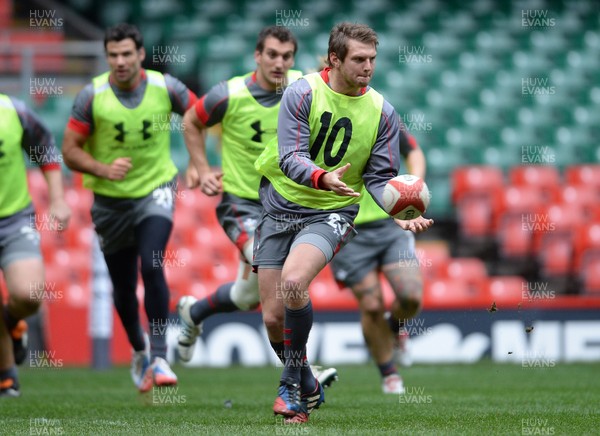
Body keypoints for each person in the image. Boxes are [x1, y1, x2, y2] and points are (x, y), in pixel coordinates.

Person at [253, 22, 433, 423]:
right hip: (280, 205)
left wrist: (398, 213)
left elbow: (379, 176)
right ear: (335, 59)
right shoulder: (302, 92)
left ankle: (290, 388)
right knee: (271, 317)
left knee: (295, 283)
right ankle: (306, 378)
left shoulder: (383, 111)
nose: (368, 67)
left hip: (332, 210)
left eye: (372, 59)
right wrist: (322, 176)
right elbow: (290, 155)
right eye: (359, 59)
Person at [176, 26, 338, 388]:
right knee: (278, 277)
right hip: (243, 204)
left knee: (248, 295)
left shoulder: (303, 86)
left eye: (286, 56)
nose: (279, 63)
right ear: (257, 56)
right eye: (272, 55)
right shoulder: (229, 94)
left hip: (286, 205)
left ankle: (194, 312)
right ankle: (305, 373)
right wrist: (200, 167)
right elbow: (191, 120)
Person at [62, 23, 198, 393]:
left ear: (140, 54)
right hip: (109, 202)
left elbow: (199, 115)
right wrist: (102, 169)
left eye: (126, 54)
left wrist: (199, 162)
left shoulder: (166, 87)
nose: (120, 62)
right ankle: (140, 352)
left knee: (152, 263)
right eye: (113, 55)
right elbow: (70, 150)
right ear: (107, 57)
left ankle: (159, 355)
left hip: (156, 188)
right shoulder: (92, 95)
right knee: (122, 288)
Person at [330, 126, 426, 394]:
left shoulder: (382, 116)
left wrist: (414, 188)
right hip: (345, 226)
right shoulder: (321, 116)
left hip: (390, 224)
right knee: (371, 305)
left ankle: (395, 330)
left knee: (411, 297)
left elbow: (413, 150)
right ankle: (389, 374)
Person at [0, 93, 71, 397]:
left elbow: (45, 147)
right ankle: (6, 377)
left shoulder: (13, 111)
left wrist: (57, 199)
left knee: (29, 296)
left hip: (14, 219)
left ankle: (12, 323)